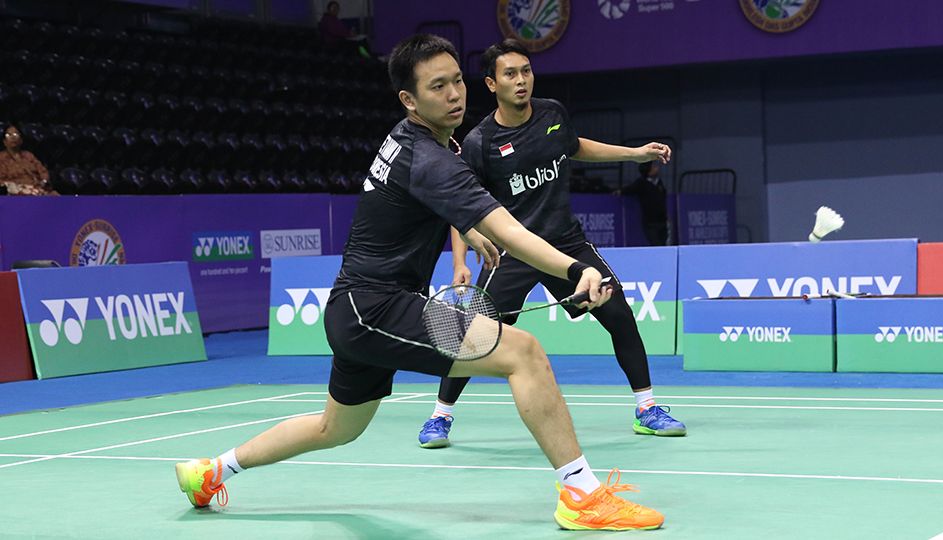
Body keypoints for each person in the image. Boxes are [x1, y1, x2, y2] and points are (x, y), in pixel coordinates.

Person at [174, 34, 664, 531]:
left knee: (334, 429)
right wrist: (576, 269)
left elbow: (421, 205)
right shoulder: (431, 159)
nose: (455, 95)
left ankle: (210, 471)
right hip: (376, 307)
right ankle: (582, 495)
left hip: (358, 308)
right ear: (409, 99)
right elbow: (512, 232)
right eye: (437, 87)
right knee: (525, 353)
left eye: (456, 82)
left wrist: (469, 227)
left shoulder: (420, 141)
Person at [417, 39, 685, 450]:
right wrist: (460, 263)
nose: (521, 80)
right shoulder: (479, 142)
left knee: (618, 313)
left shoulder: (552, 113)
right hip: (513, 251)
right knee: (476, 335)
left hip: (565, 244)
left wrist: (633, 154)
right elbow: (459, 206)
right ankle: (440, 416)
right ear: (491, 83)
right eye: (510, 74)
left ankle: (646, 408)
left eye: (525, 71)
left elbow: (575, 148)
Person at [620, 160, 669, 246]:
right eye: (653, 167)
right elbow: (629, 190)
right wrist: (619, 191)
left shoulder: (659, 183)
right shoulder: (641, 183)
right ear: (647, 169)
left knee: (663, 243)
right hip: (650, 222)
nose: (657, 168)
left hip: (662, 220)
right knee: (655, 244)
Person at [0, 123, 57, 196]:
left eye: (15, 135)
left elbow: (43, 172)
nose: (12, 138)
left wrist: (44, 181)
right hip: (15, 193)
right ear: (4, 141)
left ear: (21, 140)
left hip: (37, 189)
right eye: (8, 135)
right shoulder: (1, 158)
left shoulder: (29, 156)